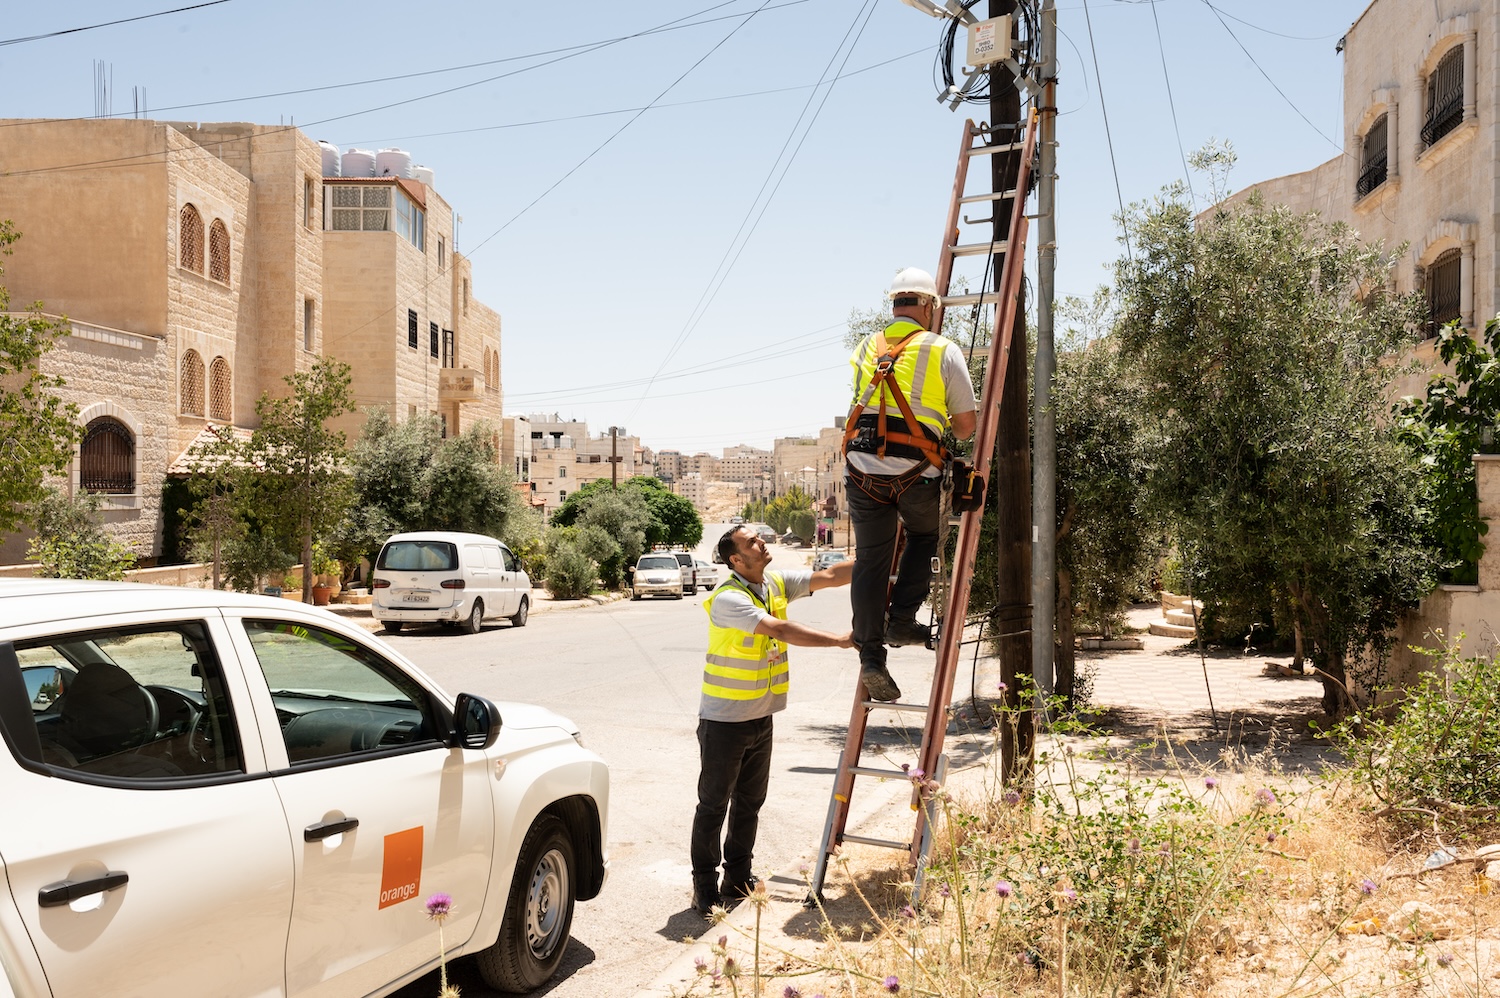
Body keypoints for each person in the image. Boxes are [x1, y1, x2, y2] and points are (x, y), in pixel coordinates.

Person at [690, 524, 854, 918]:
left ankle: (737, 877)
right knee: (713, 806)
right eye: (752, 541)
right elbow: (778, 629)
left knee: (749, 803)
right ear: (736, 559)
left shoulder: (773, 583)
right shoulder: (728, 598)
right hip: (725, 722)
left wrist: (882, 558)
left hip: (761, 717)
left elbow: (832, 576)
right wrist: (838, 640)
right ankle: (704, 888)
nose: (761, 542)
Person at [842, 267, 977, 703]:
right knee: (923, 537)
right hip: (917, 472)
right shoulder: (942, 349)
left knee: (871, 561)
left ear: (895, 304)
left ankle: (870, 656)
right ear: (928, 306)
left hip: (862, 470)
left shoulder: (866, 346)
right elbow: (966, 428)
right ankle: (901, 619)